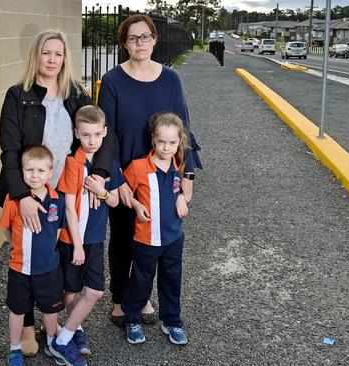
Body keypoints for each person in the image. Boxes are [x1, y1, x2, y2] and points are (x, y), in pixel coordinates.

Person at [0, 29, 115, 355]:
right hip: (31, 190)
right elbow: (9, 151)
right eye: (47, 53)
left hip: (64, 195)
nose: (52, 59)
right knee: (27, 259)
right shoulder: (18, 95)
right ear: (37, 55)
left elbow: (103, 133)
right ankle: (30, 328)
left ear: (65, 58)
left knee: (55, 264)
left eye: (58, 54)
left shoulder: (75, 93)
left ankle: (64, 326)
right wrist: (23, 199)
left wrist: (100, 176)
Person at [97, 14, 202, 326]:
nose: (140, 43)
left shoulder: (170, 79)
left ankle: (142, 297)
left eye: (145, 37)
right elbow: (107, 135)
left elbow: (183, 129)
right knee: (123, 239)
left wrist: (187, 176)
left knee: (154, 242)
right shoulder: (113, 80)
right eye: (133, 38)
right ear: (124, 44)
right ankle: (119, 299)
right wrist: (116, 180)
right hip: (127, 176)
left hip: (162, 178)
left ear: (155, 39)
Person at [51, 105, 124, 364]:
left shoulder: (107, 165)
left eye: (96, 134)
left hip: (94, 239)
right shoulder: (73, 163)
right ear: (77, 134)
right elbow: (69, 208)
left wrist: (100, 190)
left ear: (104, 133)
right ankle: (76, 330)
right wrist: (78, 245)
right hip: (74, 240)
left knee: (94, 292)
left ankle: (62, 339)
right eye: (85, 135)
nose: (91, 141)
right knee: (69, 291)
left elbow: (114, 201)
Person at [122, 113, 192, 345]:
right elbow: (122, 191)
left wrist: (182, 196)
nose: (166, 147)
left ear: (179, 141)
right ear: (153, 139)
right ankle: (132, 319)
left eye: (172, 143)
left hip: (173, 237)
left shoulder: (179, 165)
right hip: (146, 238)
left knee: (172, 279)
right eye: (161, 141)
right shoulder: (138, 166)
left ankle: (171, 321)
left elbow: (185, 191)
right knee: (141, 279)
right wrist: (136, 204)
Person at [0, 146, 67, 366]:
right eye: (29, 170)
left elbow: (57, 230)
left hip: (48, 268)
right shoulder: (14, 199)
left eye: (40, 170)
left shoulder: (57, 199)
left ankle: (51, 341)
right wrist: (18, 246)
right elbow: (6, 228)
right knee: (17, 310)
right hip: (20, 268)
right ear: (22, 171)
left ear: (50, 173)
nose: (34, 175)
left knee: (50, 308)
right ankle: (15, 348)